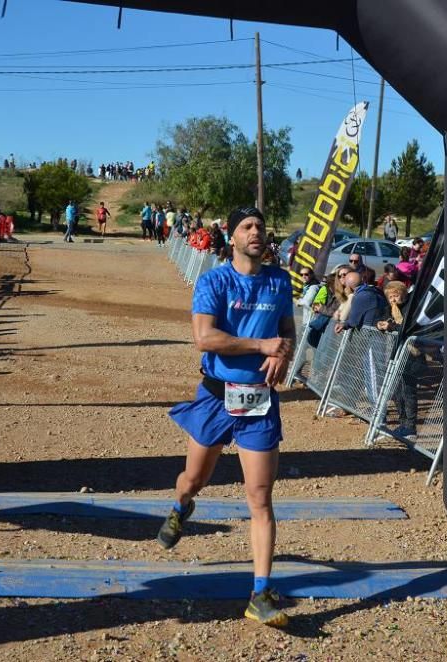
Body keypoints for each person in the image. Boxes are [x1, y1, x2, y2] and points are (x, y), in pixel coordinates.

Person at [158, 206, 295, 628]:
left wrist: (285, 352)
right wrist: (262, 347)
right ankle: (182, 507)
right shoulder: (214, 280)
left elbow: (287, 331)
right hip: (217, 398)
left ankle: (259, 592)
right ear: (232, 237)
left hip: (259, 404)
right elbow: (204, 337)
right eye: (246, 227)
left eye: (259, 226)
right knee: (193, 479)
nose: (256, 232)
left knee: (260, 498)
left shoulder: (279, 279)